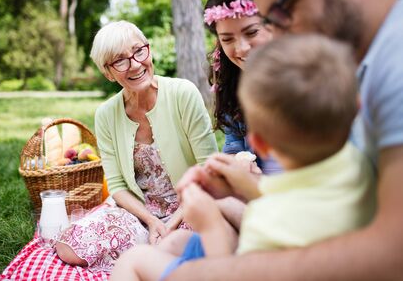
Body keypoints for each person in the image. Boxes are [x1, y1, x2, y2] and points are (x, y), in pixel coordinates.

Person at [168, 0, 403, 280]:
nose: (276, 36)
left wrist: (210, 272)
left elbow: (394, 255)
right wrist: (250, 187)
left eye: (283, 10)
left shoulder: (395, 64)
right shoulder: (365, 63)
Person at [110, 34, 376, 281]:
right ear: (357, 107)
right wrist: (240, 184)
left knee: (134, 259)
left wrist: (209, 222)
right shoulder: (357, 171)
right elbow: (285, 194)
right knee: (175, 242)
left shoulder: (270, 223)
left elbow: (230, 271)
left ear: (259, 142)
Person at [54, 20, 218, 273]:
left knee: (177, 246)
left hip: (190, 206)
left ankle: (148, 256)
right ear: (108, 73)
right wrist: (152, 222)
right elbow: (117, 187)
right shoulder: (106, 114)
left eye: (139, 51)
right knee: (68, 246)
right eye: (120, 60)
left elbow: (210, 170)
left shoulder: (183, 93)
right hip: (140, 214)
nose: (135, 64)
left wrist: (170, 224)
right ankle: (148, 252)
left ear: (148, 50)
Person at [203, 0, 281, 174]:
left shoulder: (309, 80)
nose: (242, 48)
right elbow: (234, 145)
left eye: (252, 32)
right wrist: (231, 164)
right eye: (227, 39)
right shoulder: (233, 86)